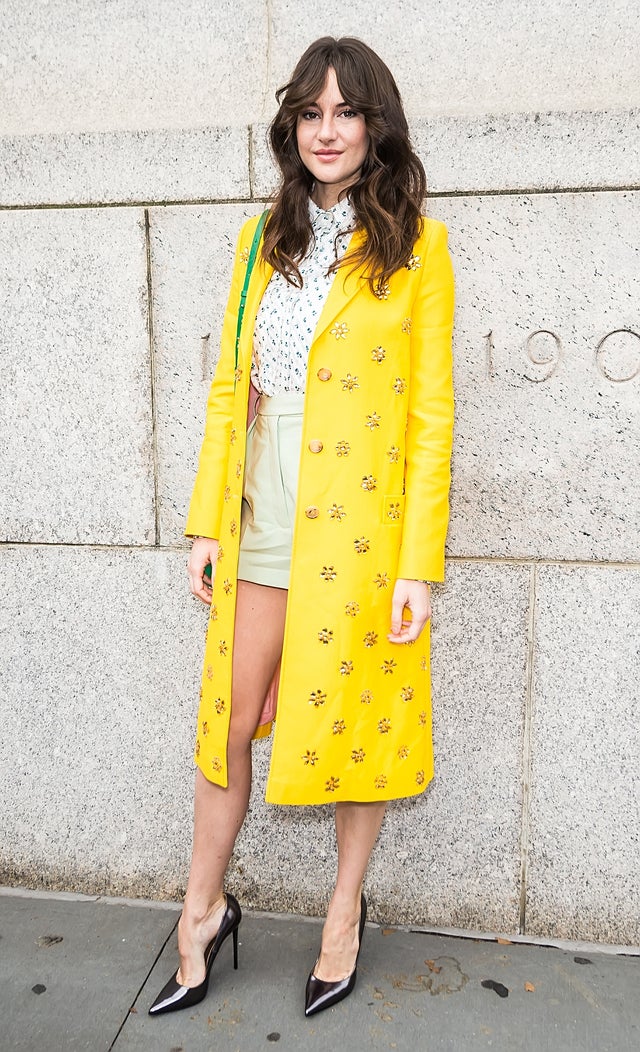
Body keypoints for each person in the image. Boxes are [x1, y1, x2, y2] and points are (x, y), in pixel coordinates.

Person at [149, 35, 455, 1019]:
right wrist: (205, 521)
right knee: (228, 725)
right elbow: (230, 386)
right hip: (258, 517)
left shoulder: (418, 246)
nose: (327, 131)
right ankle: (199, 909)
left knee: (357, 729)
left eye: (346, 112)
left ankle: (341, 911)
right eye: (311, 114)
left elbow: (432, 416)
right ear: (293, 128)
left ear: (375, 126)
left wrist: (417, 565)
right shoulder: (258, 240)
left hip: (362, 533)